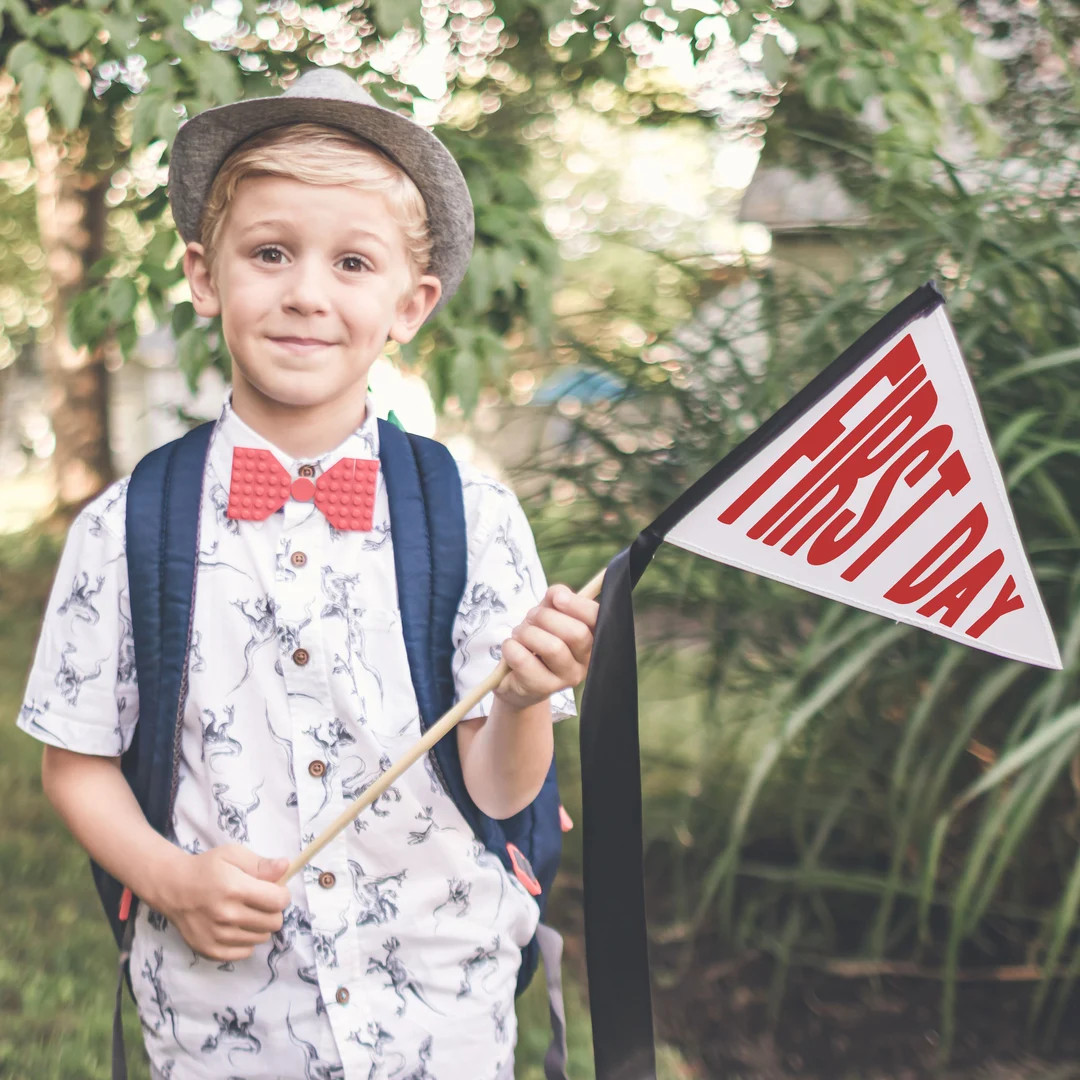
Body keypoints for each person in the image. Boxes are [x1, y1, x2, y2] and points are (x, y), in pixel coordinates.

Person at [17, 67, 597, 1080]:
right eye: (270, 252)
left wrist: (526, 700)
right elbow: (75, 761)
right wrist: (171, 879)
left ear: (410, 304)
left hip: (439, 1013)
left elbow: (502, 788)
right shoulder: (124, 525)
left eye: (353, 263)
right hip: (224, 1025)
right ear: (205, 275)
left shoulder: (474, 515)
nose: (305, 293)